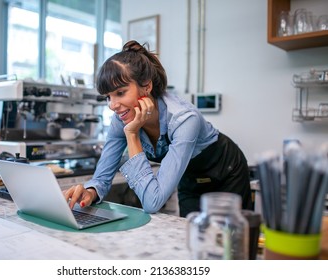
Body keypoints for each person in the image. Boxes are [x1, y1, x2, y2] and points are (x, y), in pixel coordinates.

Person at [64, 40, 252, 217]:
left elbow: (151, 202)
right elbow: (101, 179)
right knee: (190, 234)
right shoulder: (120, 119)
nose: (112, 105)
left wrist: (131, 134)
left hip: (226, 171)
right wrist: (90, 192)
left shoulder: (184, 119)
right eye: (108, 97)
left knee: (232, 239)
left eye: (120, 93)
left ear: (146, 86)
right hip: (189, 177)